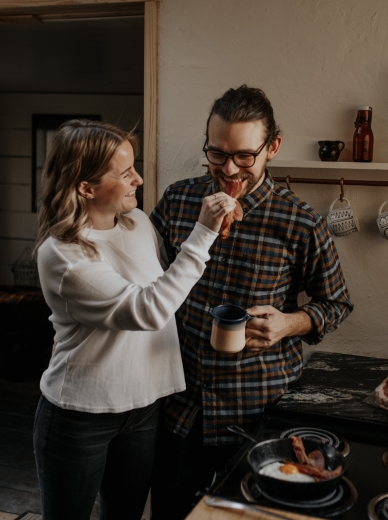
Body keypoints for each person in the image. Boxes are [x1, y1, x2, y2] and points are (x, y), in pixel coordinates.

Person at [150, 85, 354, 519]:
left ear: (272, 147)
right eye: (216, 153)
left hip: (255, 415)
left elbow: (335, 302)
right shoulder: (178, 200)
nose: (228, 168)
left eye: (244, 155)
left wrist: (290, 323)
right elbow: (144, 287)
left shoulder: (300, 222)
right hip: (177, 404)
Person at [32, 119, 236, 520]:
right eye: (125, 173)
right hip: (81, 414)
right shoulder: (63, 255)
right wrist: (203, 233)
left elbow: (170, 287)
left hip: (144, 405)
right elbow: (149, 309)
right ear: (85, 186)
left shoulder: (139, 223)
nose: (138, 179)